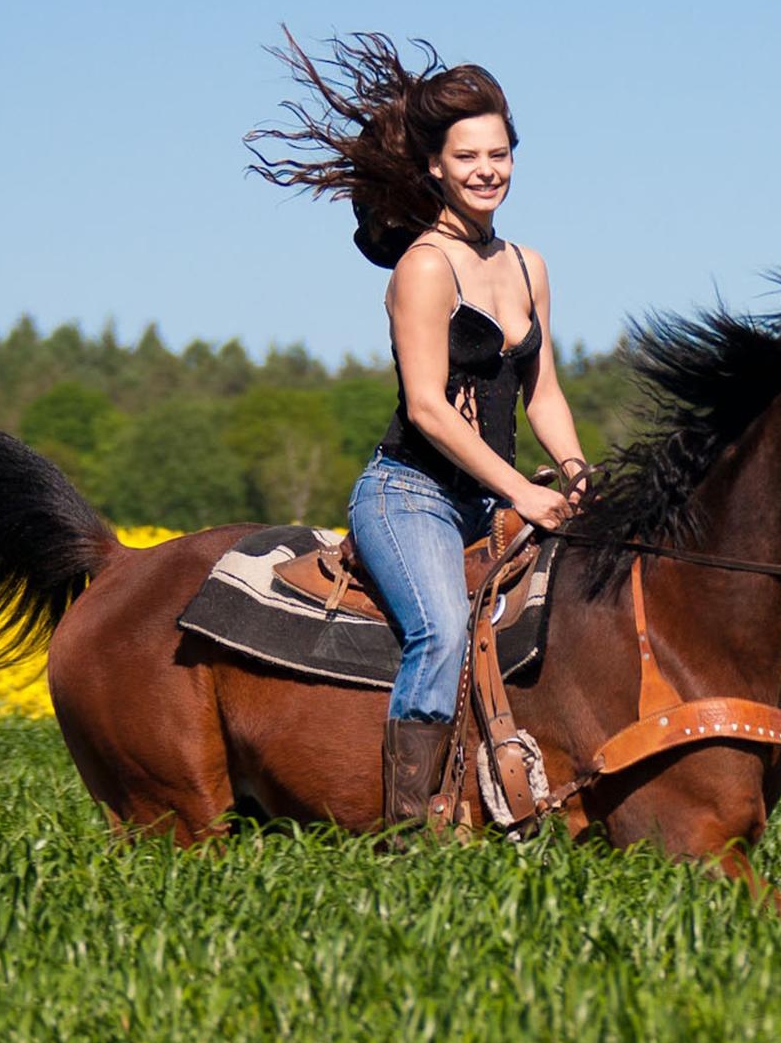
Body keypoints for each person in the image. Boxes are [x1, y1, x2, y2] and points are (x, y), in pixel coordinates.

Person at [248, 31, 589, 835]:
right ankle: (413, 832)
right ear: (435, 164)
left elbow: (542, 390)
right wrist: (521, 492)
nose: (487, 170)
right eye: (469, 155)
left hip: (498, 496)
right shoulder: (425, 267)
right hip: (414, 496)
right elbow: (430, 408)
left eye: (499, 153)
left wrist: (573, 472)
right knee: (439, 634)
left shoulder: (529, 265)